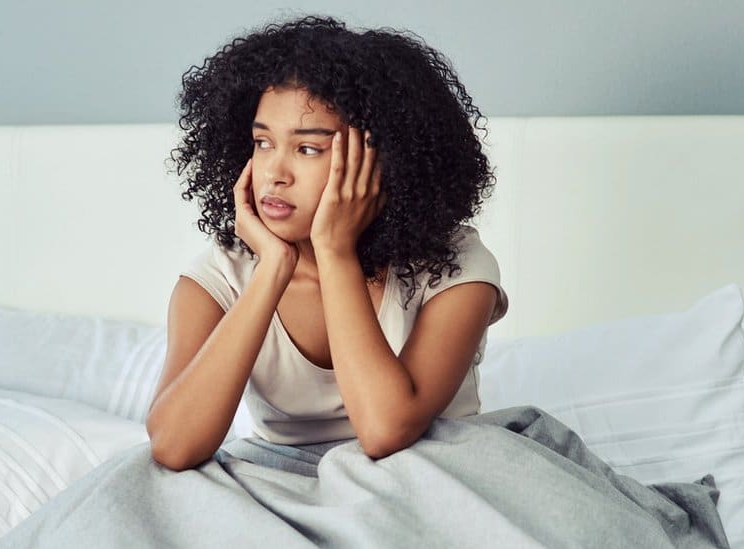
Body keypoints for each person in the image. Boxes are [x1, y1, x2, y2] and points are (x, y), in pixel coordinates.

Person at [146, 14, 510, 471]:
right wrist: (273, 267)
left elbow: (384, 431)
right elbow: (173, 447)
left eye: (308, 149)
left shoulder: (455, 268)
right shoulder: (216, 281)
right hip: (282, 484)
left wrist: (336, 253)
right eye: (262, 143)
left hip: (435, 475)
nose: (275, 172)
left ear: (382, 159)